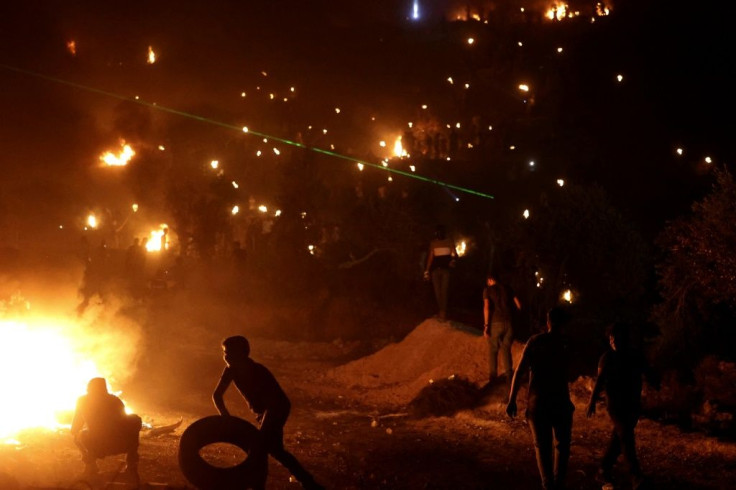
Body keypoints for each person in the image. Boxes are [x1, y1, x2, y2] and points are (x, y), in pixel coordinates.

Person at [213, 336, 323, 490]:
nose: (227, 356)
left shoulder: (258, 371)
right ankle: (309, 483)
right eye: (225, 352)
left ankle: (259, 486)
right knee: (276, 450)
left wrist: (265, 424)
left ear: (243, 354)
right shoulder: (231, 371)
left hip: (277, 408)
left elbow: (274, 402)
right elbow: (217, 395)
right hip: (264, 412)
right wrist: (225, 416)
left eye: (231, 352)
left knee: (260, 448)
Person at [506, 307, 574, 490]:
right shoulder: (566, 344)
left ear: (548, 322)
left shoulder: (535, 342)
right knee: (562, 446)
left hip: (538, 402)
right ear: (564, 324)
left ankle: (548, 485)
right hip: (560, 401)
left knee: (542, 447)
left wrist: (512, 400)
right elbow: (570, 372)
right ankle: (558, 484)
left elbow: (519, 371)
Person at [586, 322, 659, 488]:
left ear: (624, 338)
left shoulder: (634, 355)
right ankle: (635, 476)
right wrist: (592, 401)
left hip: (633, 404)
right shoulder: (607, 358)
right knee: (626, 436)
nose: (613, 341)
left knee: (619, 437)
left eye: (616, 337)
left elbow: (647, 371)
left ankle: (603, 468)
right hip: (615, 406)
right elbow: (599, 381)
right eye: (611, 338)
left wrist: (655, 381)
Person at [71, 378, 142, 481]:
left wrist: (79, 430)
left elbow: (74, 428)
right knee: (134, 421)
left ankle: (91, 467)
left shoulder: (82, 401)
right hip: (121, 444)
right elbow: (126, 422)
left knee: (79, 435)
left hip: (96, 445)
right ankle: (131, 467)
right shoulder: (115, 400)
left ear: (89, 388)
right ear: (105, 388)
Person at [483, 273, 521, 386]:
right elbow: (519, 305)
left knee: (493, 349)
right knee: (506, 349)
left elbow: (486, 308)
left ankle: (493, 379)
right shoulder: (508, 288)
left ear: (490, 280)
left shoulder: (487, 290)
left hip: (496, 322)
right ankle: (509, 378)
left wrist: (486, 326)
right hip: (509, 323)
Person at [423, 225, 457, 321]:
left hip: (445, 270)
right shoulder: (433, 243)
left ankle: (443, 313)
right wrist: (427, 270)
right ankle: (441, 311)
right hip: (435, 271)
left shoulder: (449, 242)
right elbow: (431, 257)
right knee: (438, 292)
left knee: (444, 291)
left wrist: (453, 260)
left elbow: (453, 253)